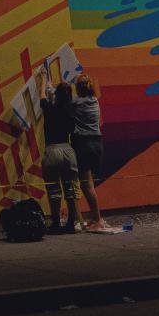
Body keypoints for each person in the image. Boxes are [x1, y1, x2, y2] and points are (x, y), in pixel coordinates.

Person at [38, 73, 79, 233]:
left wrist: (43, 80)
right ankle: (70, 223)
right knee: (70, 190)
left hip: (52, 150)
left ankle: (56, 223)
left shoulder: (50, 108)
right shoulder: (71, 112)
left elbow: (42, 96)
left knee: (54, 190)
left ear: (56, 95)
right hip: (68, 150)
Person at [71, 73, 113, 232]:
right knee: (90, 184)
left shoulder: (76, 104)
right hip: (97, 143)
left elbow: (62, 104)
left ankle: (97, 219)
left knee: (87, 186)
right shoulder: (95, 101)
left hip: (84, 144)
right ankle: (95, 217)